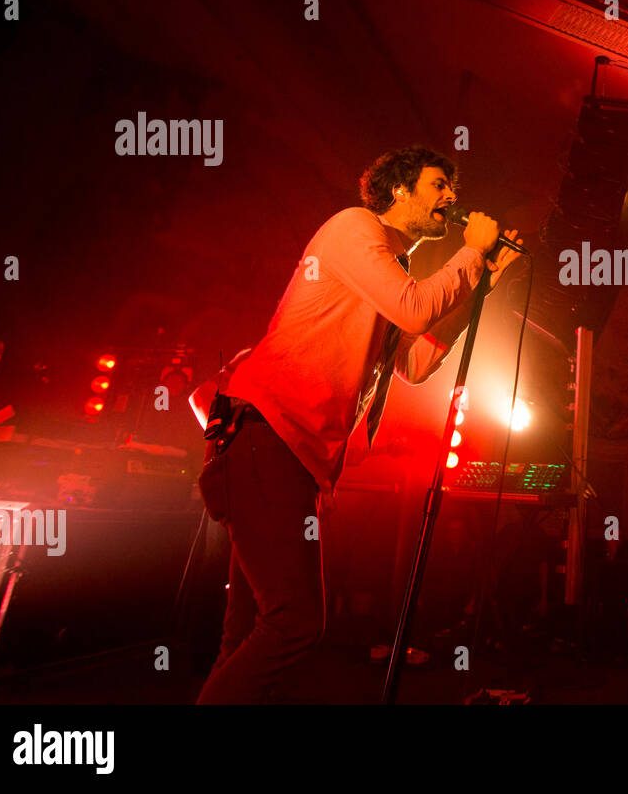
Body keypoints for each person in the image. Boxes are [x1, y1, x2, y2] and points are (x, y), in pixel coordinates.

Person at [194, 146, 523, 704]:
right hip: (265, 437)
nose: (451, 197)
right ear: (399, 190)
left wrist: (481, 286)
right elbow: (416, 310)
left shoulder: (392, 271)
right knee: (294, 623)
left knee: (251, 631)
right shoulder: (353, 228)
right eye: (438, 185)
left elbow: (416, 364)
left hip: (290, 456)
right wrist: (470, 256)